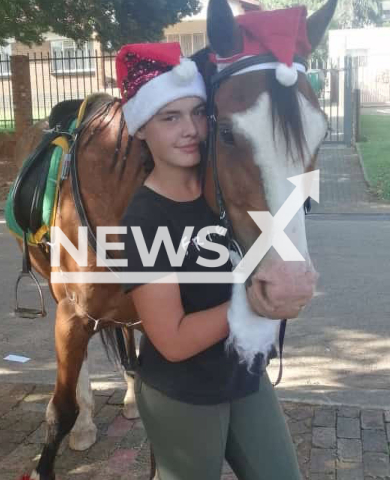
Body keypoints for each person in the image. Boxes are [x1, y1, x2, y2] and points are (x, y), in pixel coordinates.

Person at [117, 43, 302, 480]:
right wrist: (254, 301)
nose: (191, 130)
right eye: (170, 117)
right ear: (141, 128)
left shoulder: (224, 188)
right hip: (184, 393)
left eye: (198, 112)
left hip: (245, 374)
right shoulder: (145, 220)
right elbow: (174, 341)